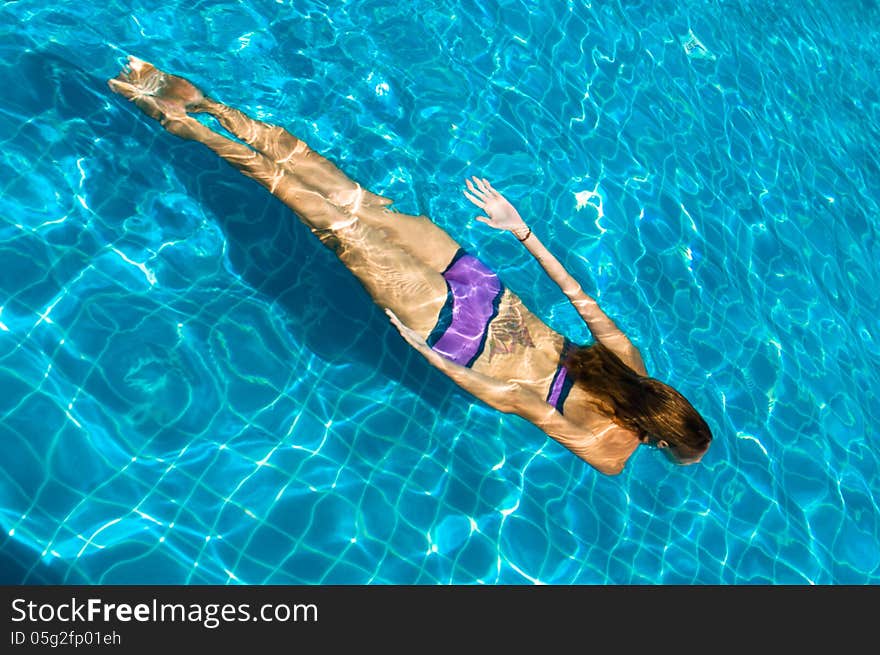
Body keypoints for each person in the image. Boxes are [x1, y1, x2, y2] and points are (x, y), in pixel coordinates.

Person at [108, 56, 712, 476]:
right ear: (658, 440)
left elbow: (577, 294)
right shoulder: (611, 452)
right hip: (459, 333)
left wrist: (520, 227)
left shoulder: (633, 364)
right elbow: (507, 398)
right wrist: (423, 351)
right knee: (318, 210)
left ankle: (197, 99)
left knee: (350, 198)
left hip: (487, 288)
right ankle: (180, 122)